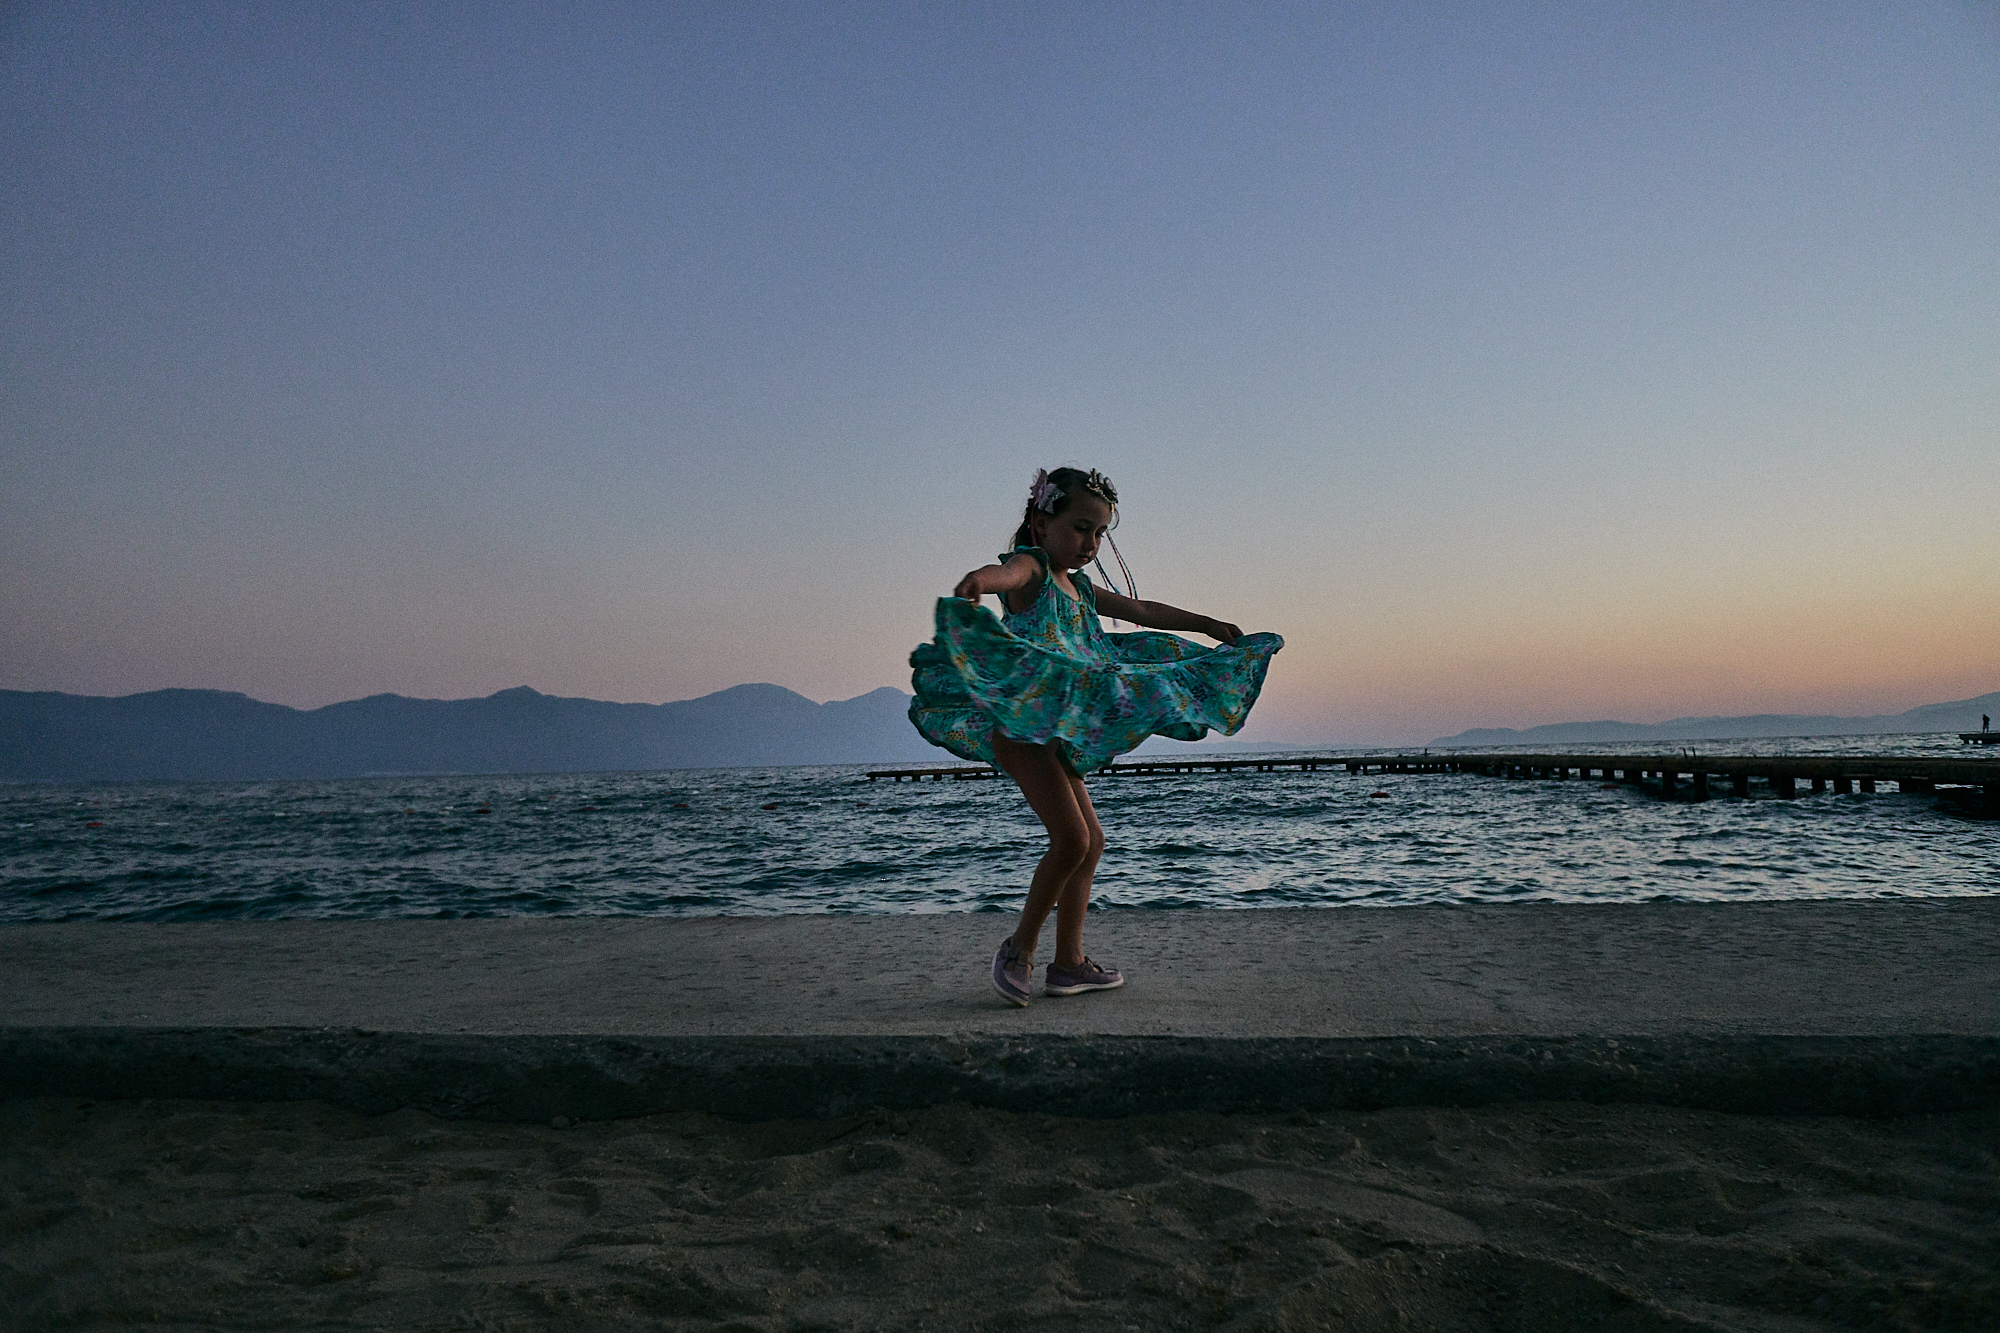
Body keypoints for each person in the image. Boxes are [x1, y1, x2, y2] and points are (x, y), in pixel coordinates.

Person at [908, 467, 1282, 1006]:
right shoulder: (1033, 570)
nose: (1092, 543)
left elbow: (1142, 610)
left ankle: (1069, 963)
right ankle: (1018, 950)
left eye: (1100, 532)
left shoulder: (1079, 589)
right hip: (1023, 729)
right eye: (1081, 527)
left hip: (1055, 734)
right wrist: (978, 582)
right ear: (1041, 523)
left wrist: (1206, 624)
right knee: (1072, 841)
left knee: (1093, 842)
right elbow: (1005, 573)